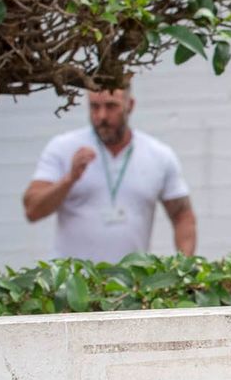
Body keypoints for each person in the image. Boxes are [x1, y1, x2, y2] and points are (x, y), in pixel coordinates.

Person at [23, 83, 197, 261]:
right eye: (94, 107)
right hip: (73, 283)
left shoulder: (158, 154)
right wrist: (69, 179)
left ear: (130, 105)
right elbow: (32, 210)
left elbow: (182, 216)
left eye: (111, 106)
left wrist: (182, 268)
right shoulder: (63, 148)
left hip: (133, 283)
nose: (102, 116)